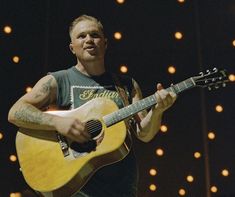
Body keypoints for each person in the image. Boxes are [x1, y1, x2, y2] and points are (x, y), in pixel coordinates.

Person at [8, 15, 177, 197]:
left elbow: (144, 134)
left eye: (94, 35)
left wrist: (158, 110)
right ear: (72, 47)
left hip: (122, 190)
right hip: (76, 189)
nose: (89, 40)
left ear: (105, 43)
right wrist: (58, 123)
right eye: (81, 36)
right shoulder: (58, 80)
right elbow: (16, 112)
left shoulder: (126, 85)